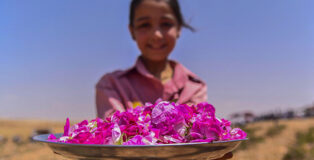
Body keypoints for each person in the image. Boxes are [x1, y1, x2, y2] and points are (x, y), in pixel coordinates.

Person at [96, 1, 232, 159]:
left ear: (179, 28)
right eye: (144, 25)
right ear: (132, 31)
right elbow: (115, 143)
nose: (156, 35)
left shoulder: (194, 86)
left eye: (166, 24)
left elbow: (191, 139)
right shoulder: (111, 85)